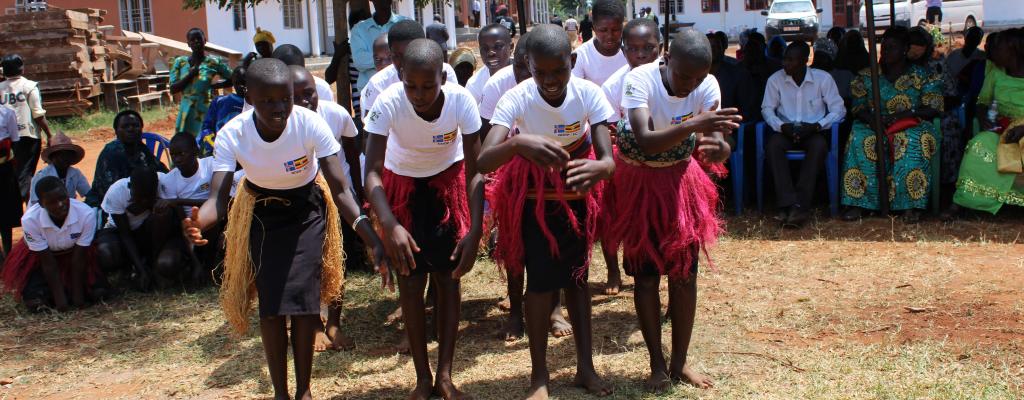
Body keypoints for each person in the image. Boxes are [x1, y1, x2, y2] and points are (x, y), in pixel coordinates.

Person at [182, 58, 385, 400]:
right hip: (261, 213)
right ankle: (281, 393)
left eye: (285, 99)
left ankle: (303, 390)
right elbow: (217, 199)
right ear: (249, 97)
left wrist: (370, 236)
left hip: (306, 210)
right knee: (272, 306)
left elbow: (339, 189)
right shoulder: (234, 134)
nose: (279, 109)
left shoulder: (309, 124)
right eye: (268, 101)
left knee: (304, 301)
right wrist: (198, 222)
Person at [477, 25, 616, 399]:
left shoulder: (590, 94)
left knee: (578, 280)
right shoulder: (516, 98)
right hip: (533, 200)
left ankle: (585, 368)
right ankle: (540, 377)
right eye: (541, 72)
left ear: (572, 63)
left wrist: (601, 169)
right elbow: (483, 158)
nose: (551, 81)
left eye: (559, 71)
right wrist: (519, 142)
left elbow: (607, 159)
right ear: (528, 66)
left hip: (576, 197)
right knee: (538, 285)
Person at [605, 29, 739, 393]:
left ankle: (679, 363)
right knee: (645, 277)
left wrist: (721, 148)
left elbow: (715, 139)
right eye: (683, 77)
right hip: (638, 183)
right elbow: (646, 140)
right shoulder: (639, 78)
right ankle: (656, 364)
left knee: (684, 274)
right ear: (666, 59)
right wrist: (693, 125)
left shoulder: (707, 85)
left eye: (697, 78)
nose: (689, 86)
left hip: (680, 182)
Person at [363, 39, 483, 400]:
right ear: (400, 77)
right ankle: (422, 379)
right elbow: (371, 173)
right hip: (402, 195)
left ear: (442, 75)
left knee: (448, 281)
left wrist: (475, 230)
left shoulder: (462, 102)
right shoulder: (387, 105)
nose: (419, 94)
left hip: (448, 187)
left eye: (428, 85)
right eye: (410, 85)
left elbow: (476, 172)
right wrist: (391, 225)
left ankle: (445, 376)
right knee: (411, 285)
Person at [290, 65, 363, 352]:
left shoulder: (335, 114)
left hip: (337, 197)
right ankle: (315, 324)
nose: (305, 101)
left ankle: (335, 322)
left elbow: (353, 154)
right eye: (297, 97)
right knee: (310, 263)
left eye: (309, 94)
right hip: (303, 200)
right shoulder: (284, 124)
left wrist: (359, 194)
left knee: (336, 260)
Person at [841, 27, 943, 223]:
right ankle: (860, 203)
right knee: (860, 137)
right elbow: (858, 106)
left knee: (911, 140)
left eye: (892, 48)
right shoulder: (867, 76)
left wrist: (904, 115)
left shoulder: (923, 76)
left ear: (905, 49)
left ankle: (910, 205)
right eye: (884, 47)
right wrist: (874, 121)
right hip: (874, 122)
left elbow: (933, 107)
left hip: (911, 122)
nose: (886, 52)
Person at [598, 18, 661, 296]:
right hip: (627, 164)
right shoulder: (614, 86)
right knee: (614, 218)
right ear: (624, 51)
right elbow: (609, 131)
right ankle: (615, 269)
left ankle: (673, 288)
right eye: (633, 49)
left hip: (666, 165)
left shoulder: (672, 77)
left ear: (660, 47)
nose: (641, 55)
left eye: (648, 48)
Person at [762, 41, 846, 228]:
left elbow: (839, 110)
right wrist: (781, 126)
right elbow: (767, 109)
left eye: (791, 60)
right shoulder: (775, 80)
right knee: (773, 146)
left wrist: (817, 125)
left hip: (813, 130)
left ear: (805, 60)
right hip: (785, 129)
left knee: (819, 147)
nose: (785, 64)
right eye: (785, 58)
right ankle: (786, 203)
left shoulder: (822, 79)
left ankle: (800, 206)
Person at [950, 28, 1024, 215]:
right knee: (979, 144)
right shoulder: (995, 73)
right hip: (1003, 128)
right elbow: (982, 102)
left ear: (1013, 50)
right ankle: (962, 203)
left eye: (998, 48)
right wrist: (983, 118)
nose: (992, 51)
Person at [1, 177, 100, 312]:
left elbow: (79, 258)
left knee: (98, 292)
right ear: (41, 204)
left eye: (62, 198)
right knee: (35, 303)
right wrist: (61, 301)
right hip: (40, 260)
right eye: (52, 202)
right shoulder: (30, 220)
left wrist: (78, 297)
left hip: (74, 256)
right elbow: (47, 263)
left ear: (68, 194)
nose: (60, 204)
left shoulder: (86, 214)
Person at [95, 168, 191, 290]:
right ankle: (130, 268)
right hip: (119, 232)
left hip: (148, 231)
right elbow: (126, 235)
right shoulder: (117, 191)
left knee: (163, 213)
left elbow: (181, 219)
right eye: (139, 197)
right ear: (130, 187)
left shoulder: (165, 183)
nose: (144, 201)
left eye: (148, 197)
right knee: (107, 253)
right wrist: (141, 270)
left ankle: (153, 262)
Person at [361, 20, 459, 120]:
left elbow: (454, 113)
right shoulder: (378, 84)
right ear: (391, 53)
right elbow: (370, 128)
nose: (404, 62)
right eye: (397, 56)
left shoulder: (442, 72)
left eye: (410, 53)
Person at [157, 133, 217, 284]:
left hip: (215, 225)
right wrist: (195, 262)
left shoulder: (211, 166)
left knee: (212, 218)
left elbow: (219, 202)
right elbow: (183, 220)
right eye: (173, 155)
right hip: (187, 229)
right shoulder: (169, 180)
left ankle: (210, 266)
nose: (176, 160)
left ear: (195, 151)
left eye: (181, 154)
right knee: (166, 264)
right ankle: (192, 264)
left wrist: (178, 201)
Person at [86, 111, 167, 208]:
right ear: (116, 131)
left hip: (140, 200)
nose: (131, 129)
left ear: (141, 129)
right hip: (107, 205)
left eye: (135, 125)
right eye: (125, 126)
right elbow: (112, 193)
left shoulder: (141, 149)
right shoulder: (111, 153)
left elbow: (162, 172)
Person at [0, 54, 53, 202]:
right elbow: (38, 114)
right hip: (27, 136)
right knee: (25, 173)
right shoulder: (29, 86)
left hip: (4, 138)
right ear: (22, 69)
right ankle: (22, 205)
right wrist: (49, 134)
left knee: (8, 172)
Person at [169, 28, 234, 137]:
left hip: (205, 111)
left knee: (205, 143)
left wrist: (216, 86)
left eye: (199, 38)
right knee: (185, 144)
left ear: (205, 40)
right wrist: (190, 75)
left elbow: (234, 78)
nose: (196, 42)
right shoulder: (180, 62)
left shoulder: (213, 62)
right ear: (188, 44)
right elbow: (173, 89)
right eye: (192, 40)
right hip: (185, 112)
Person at [351, 0, 408, 95]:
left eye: (391, 56)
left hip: (402, 91)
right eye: (377, 58)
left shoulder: (405, 25)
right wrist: (395, 57)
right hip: (371, 93)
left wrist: (379, 59)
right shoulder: (359, 29)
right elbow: (359, 61)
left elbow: (410, 55)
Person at [571, 0, 627, 87]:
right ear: (594, 27)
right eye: (603, 30)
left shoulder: (633, 52)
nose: (609, 36)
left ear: (622, 27)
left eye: (615, 30)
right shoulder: (581, 56)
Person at [28, 132, 90, 207]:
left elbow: (88, 193)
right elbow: (36, 204)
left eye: (68, 155)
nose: (65, 158)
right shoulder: (41, 176)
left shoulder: (75, 173)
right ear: (52, 157)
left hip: (68, 211)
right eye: (60, 155)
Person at [199, 66, 246, 157]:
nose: (241, 86)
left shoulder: (257, 104)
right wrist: (212, 147)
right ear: (233, 83)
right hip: (220, 152)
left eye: (244, 82)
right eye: (237, 82)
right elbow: (207, 127)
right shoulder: (220, 102)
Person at [466, 24, 513, 103]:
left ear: (511, 47)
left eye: (498, 47)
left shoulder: (526, 73)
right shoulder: (474, 85)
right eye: (485, 48)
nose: (490, 53)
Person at [0, 104, 20, 255]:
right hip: (5, 167)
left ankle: (7, 252)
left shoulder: (7, 112)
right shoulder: (7, 112)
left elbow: (14, 139)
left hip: (4, 168)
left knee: (5, 210)